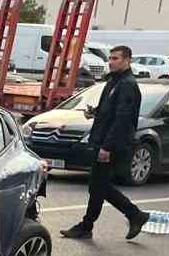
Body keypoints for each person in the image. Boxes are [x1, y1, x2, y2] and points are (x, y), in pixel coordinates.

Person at [61, 45, 149, 241]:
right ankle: (133, 216)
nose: (111, 61)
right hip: (102, 141)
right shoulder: (114, 81)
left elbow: (122, 119)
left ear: (127, 60)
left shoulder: (127, 84)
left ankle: (95, 224)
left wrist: (107, 148)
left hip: (111, 145)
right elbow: (110, 110)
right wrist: (95, 112)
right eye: (110, 58)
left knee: (99, 186)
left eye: (116, 58)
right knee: (98, 186)